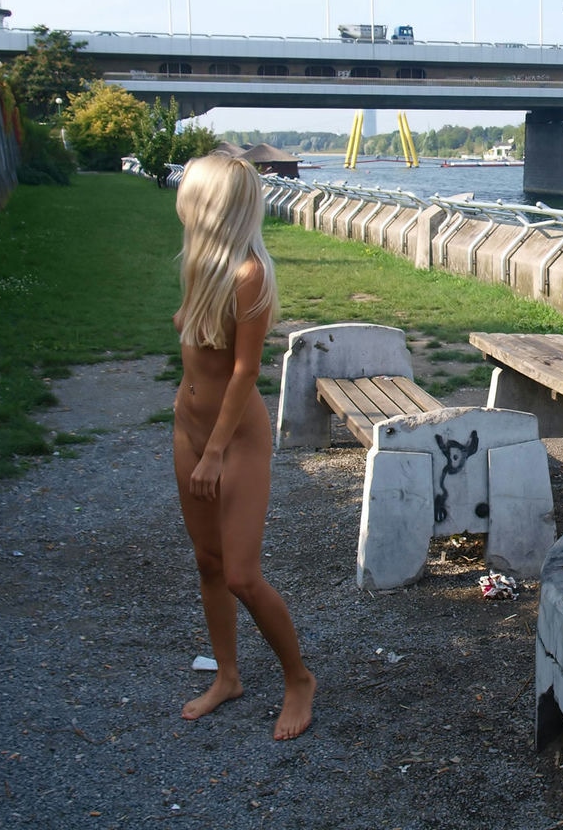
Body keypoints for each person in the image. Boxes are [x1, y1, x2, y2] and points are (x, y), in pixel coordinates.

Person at [171, 154, 315, 740]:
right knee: (207, 562)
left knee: (241, 575)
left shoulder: (249, 274)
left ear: (211, 203)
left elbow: (244, 371)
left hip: (234, 441)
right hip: (188, 430)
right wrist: (194, 438)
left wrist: (213, 452)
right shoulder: (200, 262)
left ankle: (299, 679)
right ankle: (227, 676)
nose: (180, 197)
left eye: (189, 190)